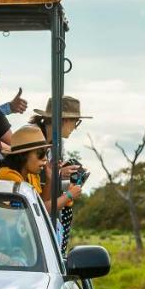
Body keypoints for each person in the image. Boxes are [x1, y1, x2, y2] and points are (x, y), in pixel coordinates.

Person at [30, 96, 91, 255]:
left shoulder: (55, 144)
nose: (75, 127)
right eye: (75, 121)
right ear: (64, 120)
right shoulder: (33, 137)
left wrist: (60, 174)